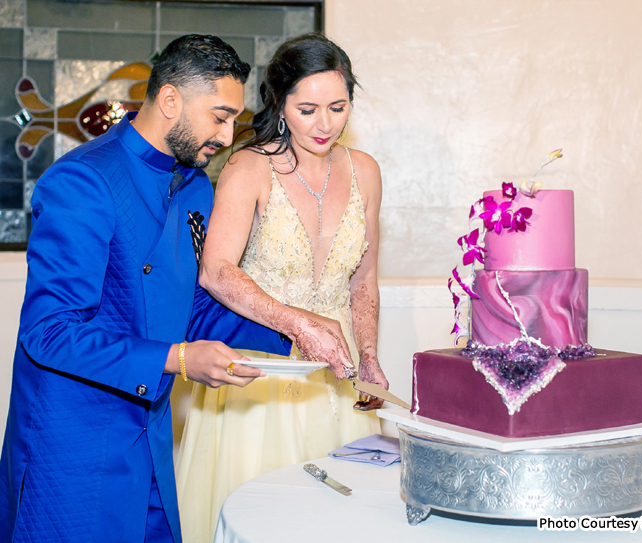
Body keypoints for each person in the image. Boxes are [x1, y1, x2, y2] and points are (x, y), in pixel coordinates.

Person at [0, 35, 293, 543]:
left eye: (233, 121)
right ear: (171, 100)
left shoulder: (197, 185)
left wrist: (293, 331)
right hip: (72, 441)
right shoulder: (82, 181)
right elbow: (48, 333)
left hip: (148, 433)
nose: (227, 137)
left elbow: (194, 308)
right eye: (219, 117)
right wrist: (179, 359)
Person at [175, 33, 389, 542]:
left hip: (337, 380)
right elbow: (216, 270)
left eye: (338, 107)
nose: (325, 124)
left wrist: (371, 355)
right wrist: (296, 324)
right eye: (308, 108)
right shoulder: (249, 167)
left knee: (342, 520)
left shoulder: (365, 172)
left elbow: (364, 278)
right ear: (280, 103)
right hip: (261, 377)